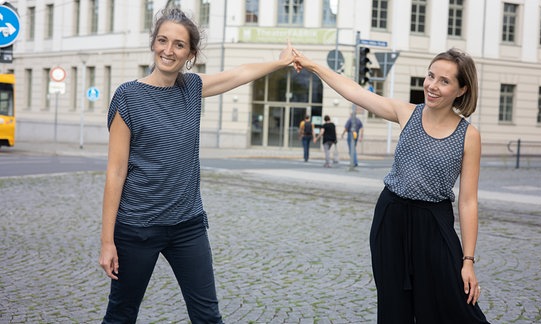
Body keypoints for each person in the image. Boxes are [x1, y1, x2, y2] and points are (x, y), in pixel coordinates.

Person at [98, 8, 295, 323]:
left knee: (208, 316)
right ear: (153, 43)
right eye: (163, 40)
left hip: (187, 226)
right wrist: (107, 241)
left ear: (190, 53)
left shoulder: (191, 88)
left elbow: (239, 73)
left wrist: (280, 61)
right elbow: (116, 172)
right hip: (137, 228)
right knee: (121, 314)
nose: (168, 50)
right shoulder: (128, 97)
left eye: (179, 44)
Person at [293, 48, 489, 323]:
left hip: (434, 225)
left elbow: (468, 201)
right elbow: (355, 92)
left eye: (444, 81)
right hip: (390, 218)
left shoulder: (469, 135)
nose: (432, 86)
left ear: (461, 89)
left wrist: (468, 261)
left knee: (455, 306)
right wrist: (313, 66)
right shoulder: (406, 113)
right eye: (430, 76)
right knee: (394, 309)